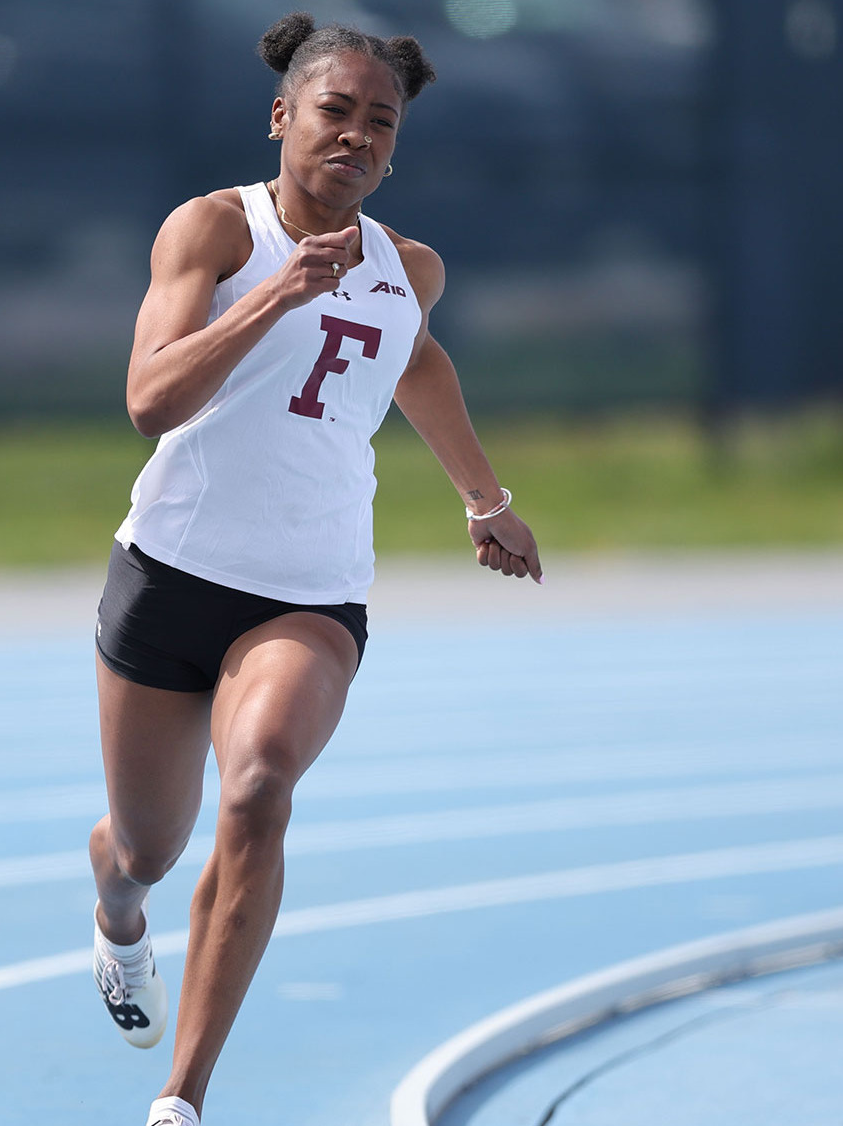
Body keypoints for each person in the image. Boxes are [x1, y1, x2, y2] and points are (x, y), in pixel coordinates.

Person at [84, 15, 541, 1126]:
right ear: (283, 116)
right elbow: (149, 401)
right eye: (335, 111)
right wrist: (283, 292)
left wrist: (486, 499)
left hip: (308, 593)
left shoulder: (406, 269)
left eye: (379, 124)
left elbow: (414, 362)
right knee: (146, 842)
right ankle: (116, 911)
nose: (356, 136)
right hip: (169, 574)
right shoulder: (212, 233)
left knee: (258, 787)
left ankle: (180, 1097)